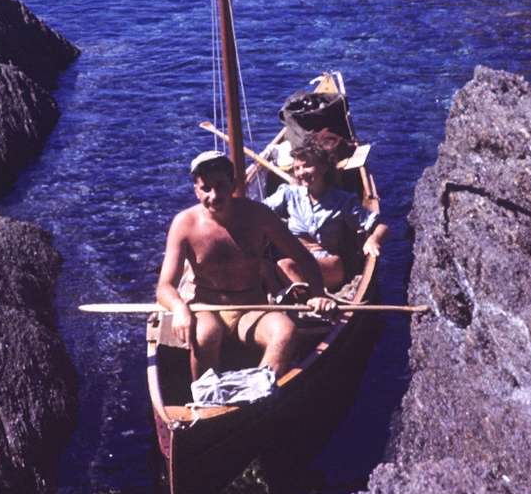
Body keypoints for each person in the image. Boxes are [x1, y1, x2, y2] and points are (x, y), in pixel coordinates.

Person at [157, 150, 337, 381]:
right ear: (196, 190)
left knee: (285, 332)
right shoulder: (184, 224)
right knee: (205, 335)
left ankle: (260, 392)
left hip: (252, 307)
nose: (214, 195)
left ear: (232, 184)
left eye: (221, 185)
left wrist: (318, 294)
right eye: (206, 188)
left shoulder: (258, 215)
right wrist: (180, 309)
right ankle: (204, 401)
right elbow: (165, 287)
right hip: (208, 308)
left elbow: (303, 257)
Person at [264, 130, 388, 293]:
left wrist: (374, 239)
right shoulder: (288, 194)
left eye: (307, 166)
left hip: (329, 264)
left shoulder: (342, 201)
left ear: (323, 167)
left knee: (284, 266)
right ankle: (299, 296)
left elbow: (380, 226)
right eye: (297, 168)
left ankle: (309, 299)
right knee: (263, 266)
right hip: (296, 257)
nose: (301, 173)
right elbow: (258, 210)